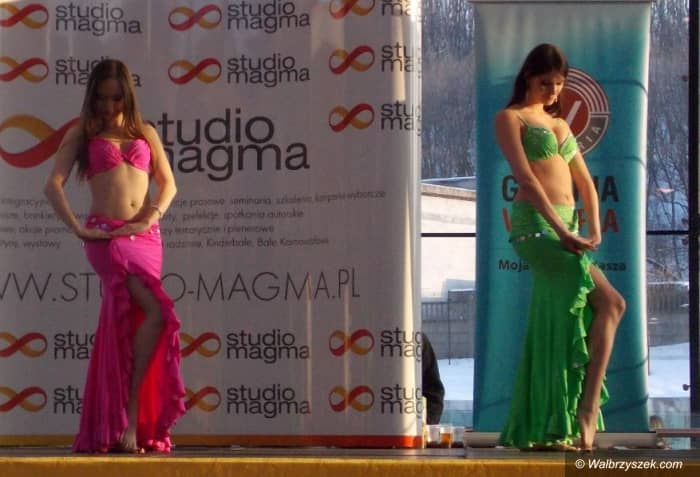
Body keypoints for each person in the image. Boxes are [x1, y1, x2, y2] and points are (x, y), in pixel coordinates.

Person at [44, 59, 186, 453]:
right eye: (101, 98)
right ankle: (130, 414)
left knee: (130, 323)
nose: (108, 106)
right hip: (107, 236)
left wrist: (150, 218)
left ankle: (125, 421)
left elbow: (169, 185)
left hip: (147, 237)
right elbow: (52, 184)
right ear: (92, 97)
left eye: (116, 98)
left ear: (128, 96)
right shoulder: (83, 132)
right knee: (157, 312)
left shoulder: (145, 132)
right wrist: (78, 228)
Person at [494, 44, 625, 451]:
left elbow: (584, 181)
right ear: (528, 77)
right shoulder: (511, 118)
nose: (552, 90)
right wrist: (560, 230)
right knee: (611, 302)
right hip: (536, 229)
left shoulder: (559, 124)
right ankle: (585, 410)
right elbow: (526, 180)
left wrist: (593, 228)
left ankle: (556, 423)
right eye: (544, 82)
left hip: (568, 229)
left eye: (558, 83)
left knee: (563, 321)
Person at [421, 332, 445, 425]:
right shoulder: (417, 339)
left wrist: (426, 424)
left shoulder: (416, 339)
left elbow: (433, 391)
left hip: (412, 428)